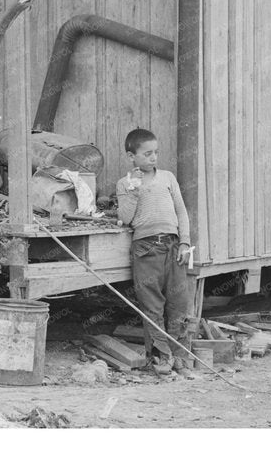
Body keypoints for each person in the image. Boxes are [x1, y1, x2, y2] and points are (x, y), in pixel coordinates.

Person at [116, 127, 196, 376]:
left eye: (156, 153)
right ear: (132, 157)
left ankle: (180, 356)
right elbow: (126, 218)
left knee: (179, 302)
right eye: (147, 154)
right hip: (145, 249)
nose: (153, 158)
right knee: (152, 305)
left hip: (173, 247)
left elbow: (181, 211)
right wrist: (133, 192)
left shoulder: (168, 178)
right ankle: (161, 357)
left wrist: (184, 241)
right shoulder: (125, 183)